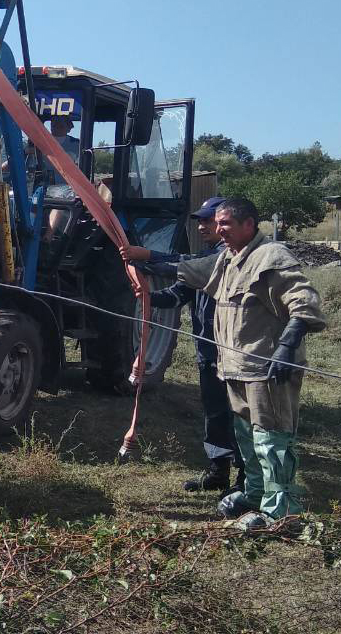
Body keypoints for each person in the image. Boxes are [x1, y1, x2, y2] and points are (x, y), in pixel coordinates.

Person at [175, 198, 326, 529]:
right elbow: (192, 270)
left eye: (225, 224)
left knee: (272, 439)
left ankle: (281, 511)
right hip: (236, 367)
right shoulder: (229, 258)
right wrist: (145, 263)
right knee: (248, 437)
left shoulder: (272, 257)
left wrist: (286, 346)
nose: (218, 230)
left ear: (249, 224)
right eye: (217, 224)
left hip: (266, 369)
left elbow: (304, 303)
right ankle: (255, 493)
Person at [120, 196, 245, 494]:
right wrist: (147, 296)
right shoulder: (204, 256)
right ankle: (218, 471)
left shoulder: (230, 257)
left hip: (233, 354)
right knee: (214, 412)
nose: (202, 226)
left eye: (209, 220)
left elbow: (185, 264)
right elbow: (178, 294)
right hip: (207, 353)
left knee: (238, 415)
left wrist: (148, 255)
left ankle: (245, 480)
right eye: (199, 220)